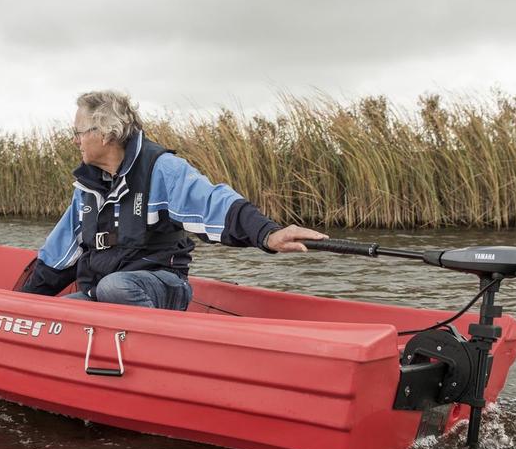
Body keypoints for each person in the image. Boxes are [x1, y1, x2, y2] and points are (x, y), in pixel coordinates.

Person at [20, 90, 327, 310]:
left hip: (162, 286)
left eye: (79, 132)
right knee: (63, 310)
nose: (75, 140)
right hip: (101, 294)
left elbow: (213, 204)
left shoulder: (161, 170)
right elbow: (59, 255)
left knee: (117, 287)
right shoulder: (87, 189)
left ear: (106, 134)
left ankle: (157, 348)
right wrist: (18, 304)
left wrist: (267, 234)